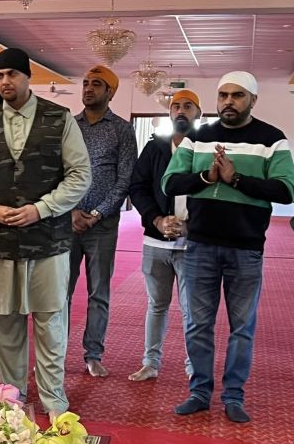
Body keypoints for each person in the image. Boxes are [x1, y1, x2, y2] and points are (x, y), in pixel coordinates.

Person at [163, 71, 294, 423]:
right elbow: (170, 182)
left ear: (252, 100)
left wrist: (236, 179)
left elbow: (286, 190)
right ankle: (200, 392)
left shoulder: (272, 140)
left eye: (237, 96)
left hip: (246, 249)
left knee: (241, 327)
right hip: (201, 246)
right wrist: (207, 177)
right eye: (223, 96)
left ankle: (234, 395)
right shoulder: (198, 137)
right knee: (198, 325)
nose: (228, 102)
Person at [0, 48, 91, 419]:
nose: (5, 82)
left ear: (28, 77)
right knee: (4, 324)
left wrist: (41, 208)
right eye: (0, 76)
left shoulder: (59, 119)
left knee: (50, 324)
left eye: (12, 74)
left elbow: (80, 175)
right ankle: (11, 402)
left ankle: (55, 402)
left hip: (49, 243)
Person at [128, 89, 201, 382]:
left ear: (198, 112)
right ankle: (150, 362)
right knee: (156, 304)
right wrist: (157, 219)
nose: (181, 111)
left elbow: (213, 193)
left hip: (193, 243)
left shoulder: (208, 146)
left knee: (191, 310)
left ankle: (194, 367)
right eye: (176, 107)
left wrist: (190, 226)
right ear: (170, 113)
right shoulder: (155, 147)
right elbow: (138, 187)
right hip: (155, 241)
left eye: (187, 106)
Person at [69, 65, 137, 378]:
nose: (88, 88)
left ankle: (93, 354)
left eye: (96, 84)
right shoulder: (69, 125)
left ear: (110, 92)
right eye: (85, 83)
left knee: (99, 292)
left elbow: (124, 180)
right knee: (59, 293)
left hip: (102, 226)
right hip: (66, 223)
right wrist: (70, 212)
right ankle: (54, 352)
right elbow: (57, 172)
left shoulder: (122, 129)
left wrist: (96, 214)